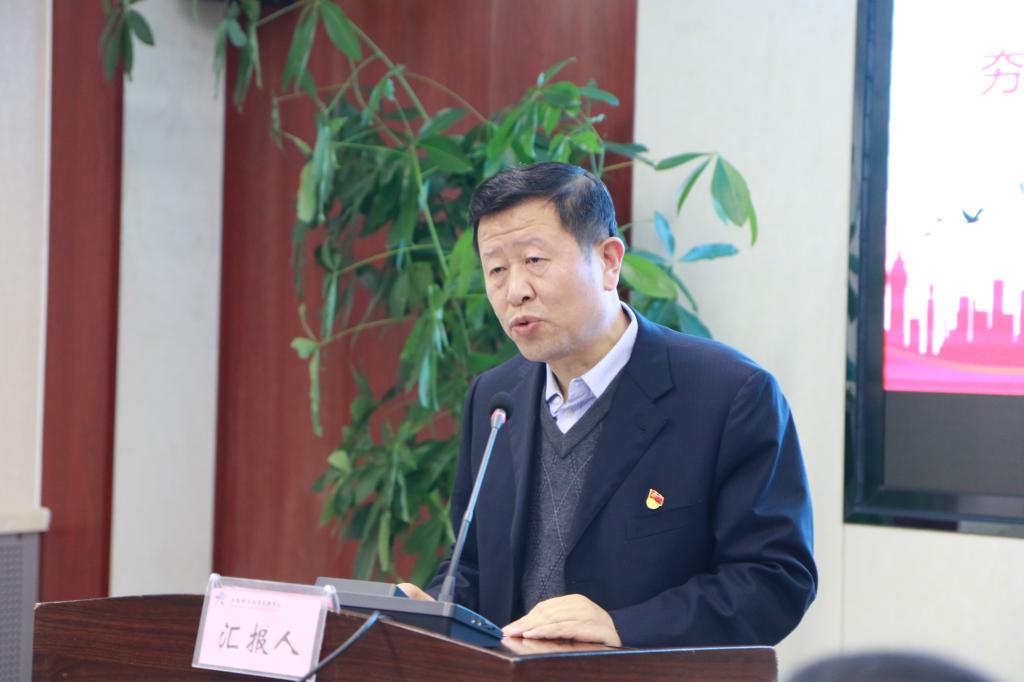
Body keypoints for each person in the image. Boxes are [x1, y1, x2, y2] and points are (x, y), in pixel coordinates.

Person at [398, 162, 816, 648]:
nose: (515, 291)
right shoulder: (494, 399)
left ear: (609, 261)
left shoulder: (730, 394)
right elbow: (473, 564)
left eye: (534, 260)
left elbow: (775, 580)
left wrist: (625, 627)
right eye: (496, 269)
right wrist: (437, 605)